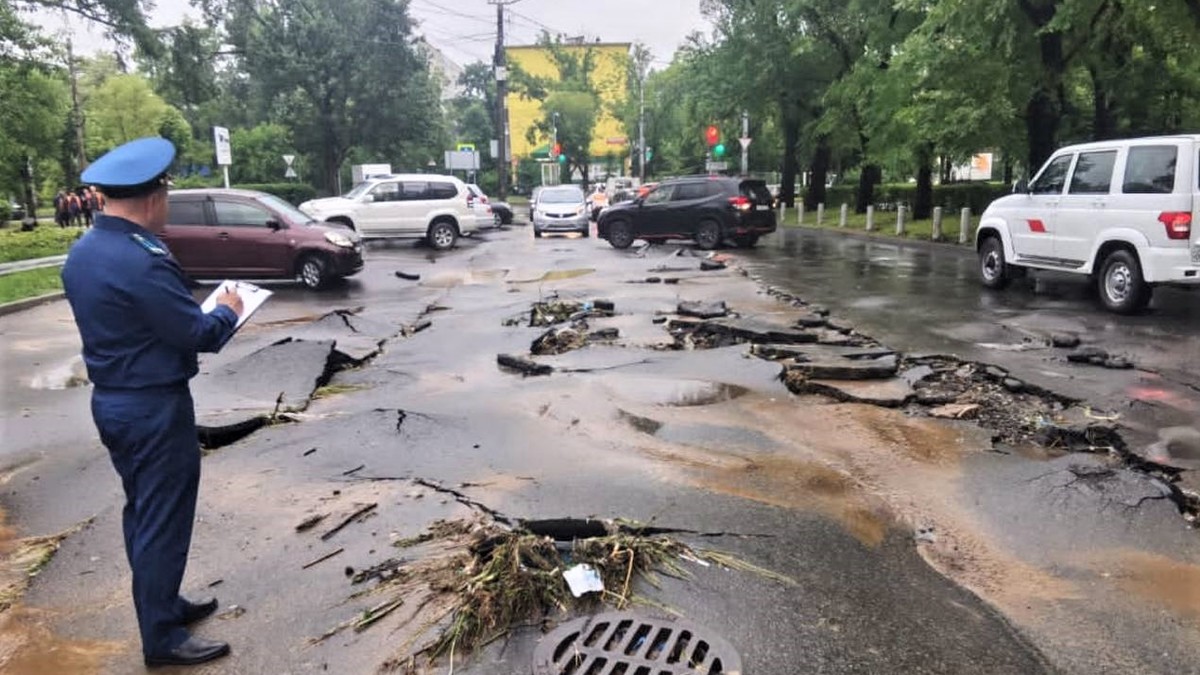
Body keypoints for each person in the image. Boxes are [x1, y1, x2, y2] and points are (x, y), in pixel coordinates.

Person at [61, 137, 244, 668]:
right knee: (163, 515)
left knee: (143, 511)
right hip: (152, 408)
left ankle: (162, 602)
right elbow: (196, 332)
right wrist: (229, 309)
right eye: (166, 192)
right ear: (152, 196)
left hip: (115, 402)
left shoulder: (86, 251)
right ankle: (161, 637)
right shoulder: (141, 259)